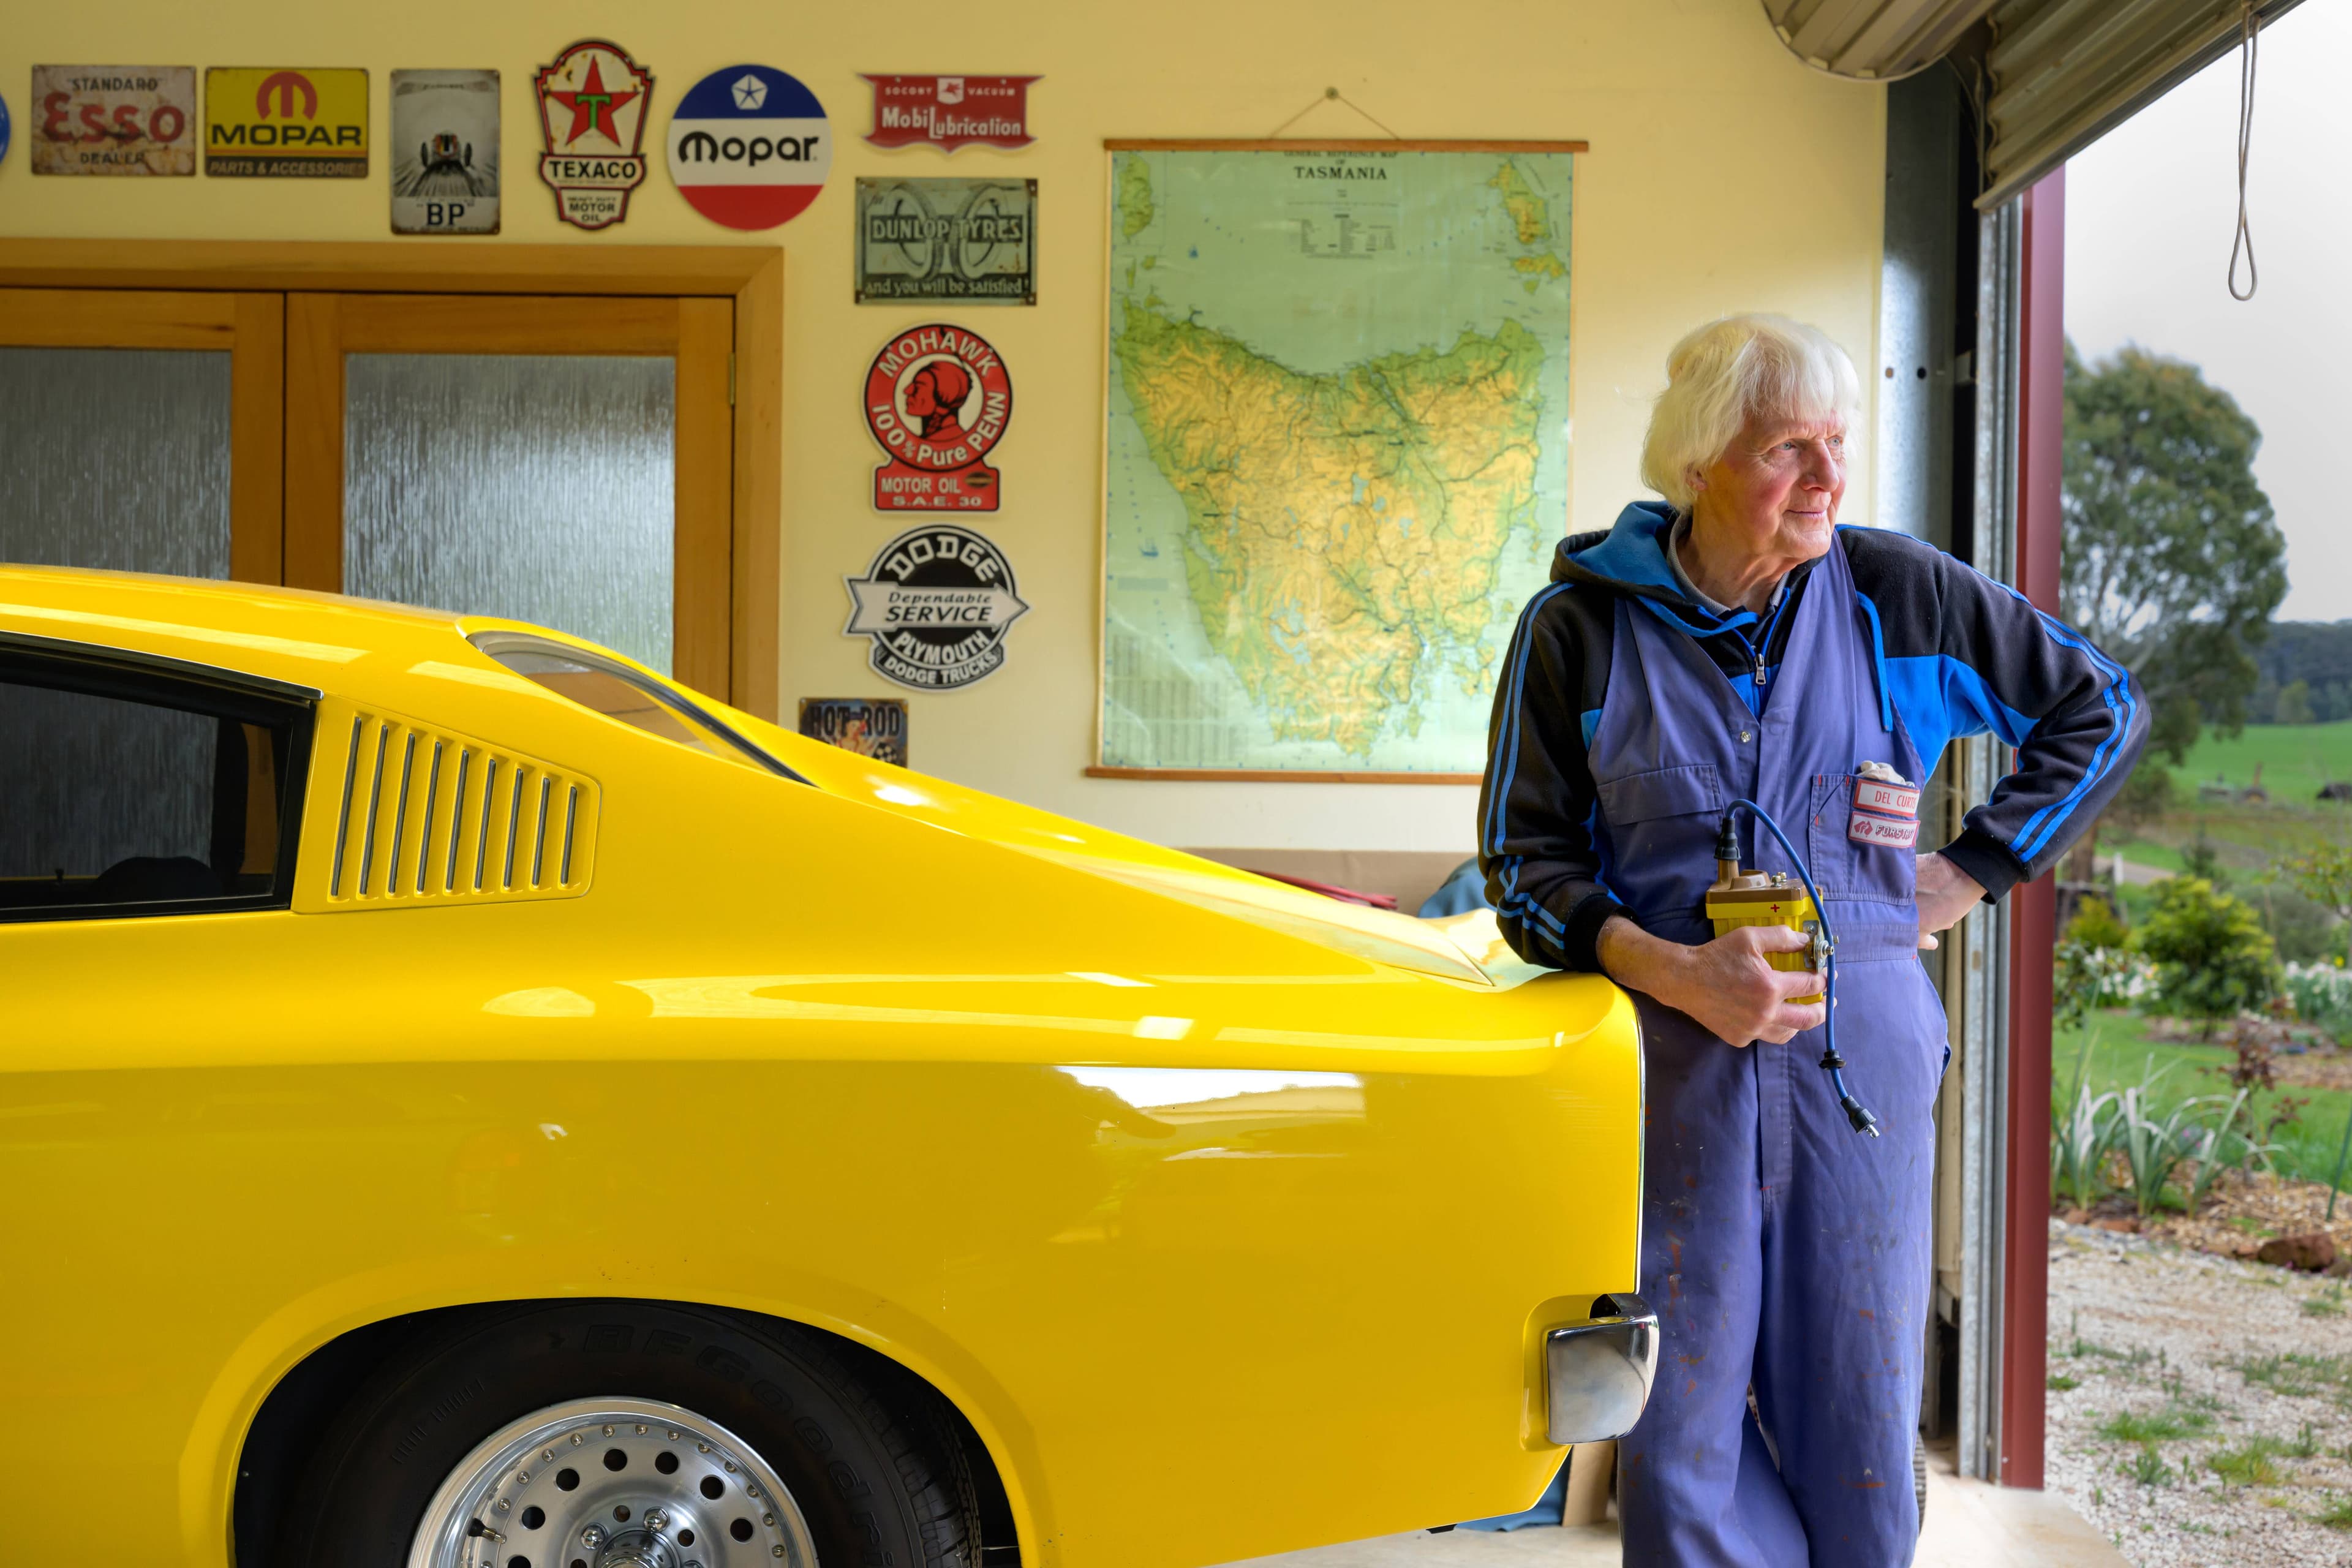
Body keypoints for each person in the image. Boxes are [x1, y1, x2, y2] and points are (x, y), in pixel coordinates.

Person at [1479, 315, 2145, 1566]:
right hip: (1672, 1075)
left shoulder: (1898, 590)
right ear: (1699, 464)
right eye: (1791, 448)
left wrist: (1964, 871)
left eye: (1836, 443)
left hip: (1864, 1077)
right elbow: (1525, 871)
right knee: (1680, 1434)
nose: (1830, 478)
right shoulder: (1575, 628)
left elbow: (2099, 706)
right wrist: (1674, 966)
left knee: (1859, 1413)